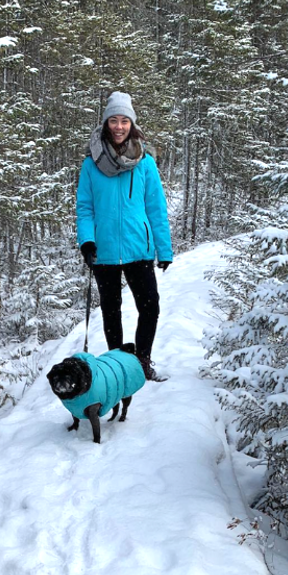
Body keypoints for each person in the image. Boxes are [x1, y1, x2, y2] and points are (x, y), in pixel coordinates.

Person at [76, 91, 173, 381]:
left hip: (138, 248)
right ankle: (119, 367)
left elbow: (156, 208)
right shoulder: (91, 164)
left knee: (150, 307)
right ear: (106, 123)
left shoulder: (145, 163)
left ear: (132, 124)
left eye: (124, 121)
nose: (119, 126)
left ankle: (142, 362)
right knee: (111, 311)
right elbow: (85, 208)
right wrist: (87, 241)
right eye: (114, 121)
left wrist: (163, 249)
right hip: (103, 249)